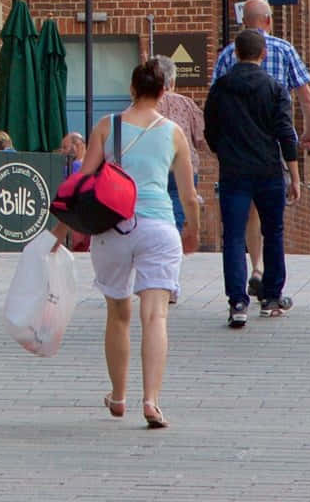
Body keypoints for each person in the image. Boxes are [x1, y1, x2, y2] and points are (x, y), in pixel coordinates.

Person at [62, 57, 198, 429]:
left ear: (132, 89)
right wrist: (193, 230)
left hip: (114, 226)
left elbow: (83, 181)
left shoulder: (108, 126)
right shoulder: (173, 132)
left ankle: (118, 396)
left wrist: (60, 232)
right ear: (165, 91)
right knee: (155, 316)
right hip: (159, 227)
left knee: (118, 314)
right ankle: (151, 400)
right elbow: (187, 195)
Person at [213, 0, 310, 303]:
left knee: (242, 218)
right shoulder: (284, 50)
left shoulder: (227, 55)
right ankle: (271, 289)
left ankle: (254, 270)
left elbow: (214, 105)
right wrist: (309, 136)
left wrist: (222, 145)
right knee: (272, 220)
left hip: (236, 153)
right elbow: (307, 99)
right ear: (269, 20)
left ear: (244, 22)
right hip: (272, 149)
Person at [204, 27, 300, 329]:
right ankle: (272, 297)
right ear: (264, 53)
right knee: (273, 232)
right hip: (268, 169)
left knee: (233, 236)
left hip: (234, 171)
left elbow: (210, 129)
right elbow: (286, 133)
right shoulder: (274, 89)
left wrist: (224, 152)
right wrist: (294, 176)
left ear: (235, 54)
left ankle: (237, 302)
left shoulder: (220, 88)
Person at [154, 83, 208, 256]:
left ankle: (158, 240)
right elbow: (201, 138)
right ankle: (173, 236)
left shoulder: (148, 105)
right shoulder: (187, 103)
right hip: (184, 163)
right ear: (171, 82)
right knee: (180, 199)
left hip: (156, 163)